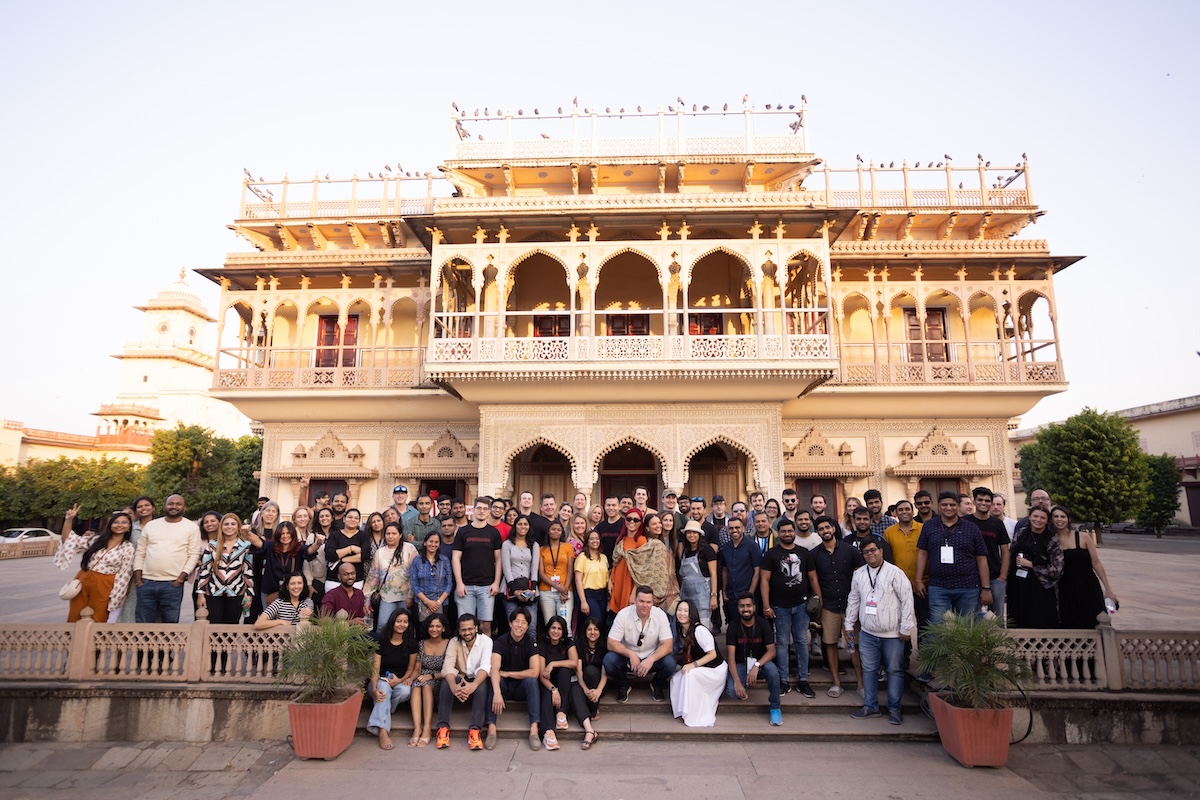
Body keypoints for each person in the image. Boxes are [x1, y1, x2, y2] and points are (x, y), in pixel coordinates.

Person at [845, 539, 915, 725]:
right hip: (868, 632)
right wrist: (849, 625)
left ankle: (894, 708)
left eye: (873, 550)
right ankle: (871, 706)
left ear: (881, 551)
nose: (870, 554)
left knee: (894, 670)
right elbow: (853, 599)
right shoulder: (859, 573)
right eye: (866, 552)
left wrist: (906, 627)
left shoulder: (895, 573)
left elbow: (907, 600)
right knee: (868, 669)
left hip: (892, 634)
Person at [759, 518, 820, 698]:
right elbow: (764, 581)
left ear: (794, 532)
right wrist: (766, 605)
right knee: (782, 643)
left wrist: (818, 600)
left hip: (801, 606)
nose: (787, 534)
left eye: (790, 531)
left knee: (802, 642)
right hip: (779, 606)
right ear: (779, 533)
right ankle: (784, 680)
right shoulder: (771, 554)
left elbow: (813, 578)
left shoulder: (804, 553)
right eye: (783, 531)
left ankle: (803, 681)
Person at [915, 491, 992, 622]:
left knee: (967, 628)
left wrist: (986, 588)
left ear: (958, 506)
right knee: (937, 627)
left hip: (968, 587)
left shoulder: (971, 527)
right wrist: (918, 580)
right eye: (944, 504)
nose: (949, 508)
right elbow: (922, 553)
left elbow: (981, 559)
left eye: (952, 504)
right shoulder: (929, 526)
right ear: (938, 506)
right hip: (938, 586)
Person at [810, 515, 865, 697]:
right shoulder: (815, 554)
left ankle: (861, 684)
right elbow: (814, 579)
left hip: (850, 607)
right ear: (817, 532)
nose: (825, 531)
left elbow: (860, 576)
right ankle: (836, 682)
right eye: (821, 529)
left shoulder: (850, 551)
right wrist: (820, 600)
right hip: (829, 606)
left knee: (854, 644)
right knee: (830, 643)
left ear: (834, 528)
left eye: (828, 527)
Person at [55, 506, 136, 623]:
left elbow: (125, 574)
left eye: (124, 523)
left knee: (100, 617)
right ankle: (74, 639)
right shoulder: (97, 540)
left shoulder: (128, 547)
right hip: (84, 577)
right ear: (110, 524)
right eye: (116, 522)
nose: (119, 525)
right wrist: (69, 520)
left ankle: (96, 641)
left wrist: (116, 596)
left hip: (105, 583)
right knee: (75, 614)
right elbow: (69, 540)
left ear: (129, 527)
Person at [133, 494, 202, 624]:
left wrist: (180, 579)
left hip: (172, 584)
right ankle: (144, 645)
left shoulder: (191, 527)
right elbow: (140, 552)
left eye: (178, 504)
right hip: (146, 582)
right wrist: (138, 579)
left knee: (170, 624)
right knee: (143, 623)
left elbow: (193, 555)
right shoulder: (151, 525)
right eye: (170, 503)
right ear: (165, 506)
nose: (174, 506)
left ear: (184, 507)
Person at [486, 608, 547, 751]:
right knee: (494, 680)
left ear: (527, 626)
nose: (520, 625)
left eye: (524, 623)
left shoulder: (531, 643)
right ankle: (491, 729)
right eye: (517, 621)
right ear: (510, 623)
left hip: (521, 687)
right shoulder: (501, 641)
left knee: (532, 682)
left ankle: (534, 730)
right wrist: (497, 693)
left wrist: (509, 674)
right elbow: (494, 668)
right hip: (504, 687)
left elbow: (534, 672)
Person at [605, 585, 677, 702]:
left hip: (651, 657)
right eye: (641, 601)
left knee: (670, 663)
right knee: (609, 661)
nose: (645, 605)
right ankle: (623, 685)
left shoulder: (660, 615)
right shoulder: (623, 614)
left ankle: (656, 684)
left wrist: (651, 659)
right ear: (635, 600)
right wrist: (631, 654)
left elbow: (668, 645)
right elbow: (611, 643)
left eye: (648, 602)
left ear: (653, 603)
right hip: (628, 658)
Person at [539, 615, 599, 748]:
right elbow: (541, 674)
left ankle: (562, 712)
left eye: (559, 628)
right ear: (548, 629)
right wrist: (553, 689)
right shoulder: (542, 644)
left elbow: (573, 663)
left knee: (565, 671)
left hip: (565, 682)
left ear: (563, 631)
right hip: (547, 682)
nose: (556, 631)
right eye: (553, 628)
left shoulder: (568, 643)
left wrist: (553, 664)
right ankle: (548, 732)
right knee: (546, 695)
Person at [1053, 506, 1118, 629]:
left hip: (1088, 585)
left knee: (1096, 617)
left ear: (1069, 519)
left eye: (1063, 516)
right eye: (1056, 516)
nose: (1059, 519)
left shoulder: (1083, 537)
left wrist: (1108, 588)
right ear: (1051, 520)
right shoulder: (1052, 541)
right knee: (1071, 620)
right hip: (1065, 588)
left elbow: (1096, 563)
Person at [724, 592, 783, 726]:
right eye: (742, 606)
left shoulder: (763, 624)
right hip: (741, 664)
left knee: (773, 671)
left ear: (755, 607)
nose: (745, 609)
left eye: (748, 605)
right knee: (733, 692)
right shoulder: (733, 626)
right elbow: (731, 658)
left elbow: (772, 651)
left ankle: (775, 708)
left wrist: (757, 665)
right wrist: (738, 682)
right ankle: (744, 685)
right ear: (737, 608)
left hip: (760, 664)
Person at [436, 614, 493, 751]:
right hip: (460, 679)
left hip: (476, 680)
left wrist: (473, 685)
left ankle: (475, 731)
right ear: (459, 630)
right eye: (463, 630)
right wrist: (454, 687)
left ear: (476, 628)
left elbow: (485, 666)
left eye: (470, 629)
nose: (467, 633)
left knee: (482, 684)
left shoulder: (486, 641)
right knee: (447, 681)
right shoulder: (454, 641)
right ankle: (442, 729)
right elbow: (448, 667)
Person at [609, 511, 680, 614]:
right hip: (619, 581)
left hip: (631, 582)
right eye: (628, 519)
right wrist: (610, 580)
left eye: (636, 520)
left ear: (640, 523)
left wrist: (634, 592)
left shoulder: (642, 541)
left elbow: (642, 571)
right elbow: (616, 562)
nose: (632, 522)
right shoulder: (621, 540)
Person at [368, 607, 419, 750]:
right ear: (393, 622)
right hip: (381, 680)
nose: (402, 625)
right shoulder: (382, 640)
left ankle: (383, 709)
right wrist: (373, 688)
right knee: (383, 688)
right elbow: (375, 669)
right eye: (398, 621)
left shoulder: (411, 642)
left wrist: (400, 680)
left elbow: (410, 669)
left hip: (400, 680)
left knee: (405, 692)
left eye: (405, 622)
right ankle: (383, 732)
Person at [669, 599, 726, 727]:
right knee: (676, 679)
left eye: (686, 611)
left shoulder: (699, 630)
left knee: (690, 675)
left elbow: (713, 654)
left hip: (715, 669)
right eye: (679, 610)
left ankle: (692, 714)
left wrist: (692, 665)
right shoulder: (682, 630)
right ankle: (681, 711)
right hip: (703, 668)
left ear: (692, 613)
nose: (682, 613)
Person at [453, 498, 503, 636]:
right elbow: (456, 558)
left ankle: (485, 656)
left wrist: (496, 583)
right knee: (465, 626)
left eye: (485, 509)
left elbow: (499, 559)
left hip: (487, 586)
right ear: (473, 510)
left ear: (489, 512)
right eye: (479, 508)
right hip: (466, 586)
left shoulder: (494, 533)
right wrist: (459, 583)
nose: (482, 511)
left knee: (486, 625)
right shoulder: (463, 532)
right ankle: (465, 656)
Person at [1006, 507, 1063, 628]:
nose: (1038, 520)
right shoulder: (1021, 533)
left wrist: (1031, 565)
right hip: (1018, 585)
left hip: (1040, 587)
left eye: (1042, 518)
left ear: (1047, 521)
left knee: (1038, 619)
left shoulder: (1052, 540)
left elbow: (1057, 570)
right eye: (1035, 516)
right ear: (1030, 517)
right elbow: (1010, 556)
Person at [195, 513, 256, 625]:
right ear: (221, 527)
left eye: (233, 524)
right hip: (213, 592)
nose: (229, 526)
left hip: (236, 592)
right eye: (226, 524)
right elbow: (205, 570)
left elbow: (248, 571)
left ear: (238, 526)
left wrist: (249, 594)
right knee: (213, 627)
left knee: (231, 629)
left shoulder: (246, 546)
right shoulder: (212, 545)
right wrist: (200, 594)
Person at [365, 521, 419, 638]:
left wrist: (411, 595)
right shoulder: (380, 552)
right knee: (383, 624)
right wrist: (367, 597)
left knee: (405, 626)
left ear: (400, 535)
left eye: (394, 533)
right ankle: (380, 652)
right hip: (386, 595)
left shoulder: (410, 548)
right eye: (388, 533)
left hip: (406, 596)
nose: (390, 536)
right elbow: (373, 576)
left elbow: (415, 573)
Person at [971, 487, 1012, 625]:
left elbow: (1005, 551)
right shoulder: (965, 522)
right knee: (972, 619)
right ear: (974, 501)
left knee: (997, 620)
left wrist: (1003, 577)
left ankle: (999, 647)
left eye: (987, 501)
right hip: (971, 578)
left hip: (995, 577)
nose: (984, 503)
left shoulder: (997, 524)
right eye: (980, 500)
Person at [410, 612, 450, 747]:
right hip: (422, 677)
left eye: (438, 626)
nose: (434, 629)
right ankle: (417, 728)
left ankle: (427, 728)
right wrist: (410, 679)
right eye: (431, 626)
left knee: (426, 685)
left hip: (440, 679)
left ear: (443, 628)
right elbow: (417, 669)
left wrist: (431, 676)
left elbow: (448, 670)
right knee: (416, 685)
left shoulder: (449, 643)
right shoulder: (422, 644)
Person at [501, 515, 540, 636]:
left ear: (529, 527)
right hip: (510, 588)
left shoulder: (534, 545)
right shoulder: (507, 544)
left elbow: (534, 568)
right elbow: (506, 568)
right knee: (514, 626)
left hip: (529, 587)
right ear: (515, 526)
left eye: (525, 524)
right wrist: (514, 591)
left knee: (531, 627)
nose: (522, 527)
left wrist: (532, 590)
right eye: (520, 524)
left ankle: (531, 653)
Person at [677, 520, 718, 630]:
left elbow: (714, 574)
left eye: (694, 532)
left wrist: (713, 596)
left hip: (703, 596)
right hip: (686, 594)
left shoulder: (707, 550)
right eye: (689, 533)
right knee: (687, 625)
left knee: (702, 626)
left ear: (699, 534)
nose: (691, 535)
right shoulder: (685, 551)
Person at [718, 518, 761, 624]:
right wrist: (724, 591)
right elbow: (724, 570)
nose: (734, 530)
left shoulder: (752, 546)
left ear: (743, 529)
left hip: (748, 594)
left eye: (737, 527)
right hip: (731, 595)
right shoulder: (726, 548)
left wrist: (750, 593)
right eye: (731, 528)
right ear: (728, 530)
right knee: (733, 626)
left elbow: (757, 571)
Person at [539, 521, 575, 630]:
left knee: (565, 625)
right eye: (553, 529)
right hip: (546, 591)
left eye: (559, 530)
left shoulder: (568, 547)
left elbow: (570, 570)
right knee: (549, 624)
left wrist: (564, 589)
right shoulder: (542, 549)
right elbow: (541, 573)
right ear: (548, 531)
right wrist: (557, 586)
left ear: (562, 532)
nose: (556, 531)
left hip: (565, 591)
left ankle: (566, 647)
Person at [411, 531, 453, 622]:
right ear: (425, 543)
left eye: (436, 542)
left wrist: (438, 602)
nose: (433, 544)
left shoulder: (444, 560)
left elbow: (449, 584)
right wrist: (427, 601)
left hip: (441, 603)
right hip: (421, 603)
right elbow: (414, 584)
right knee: (422, 632)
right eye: (431, 541)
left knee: (439, 629)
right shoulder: (417, 560)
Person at [323, 507, 366, 593]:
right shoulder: (334, 535)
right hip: (334, 579)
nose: (352, 520)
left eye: (356, 518)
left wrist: (341, 559)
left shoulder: (363, 536)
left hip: (356, 581)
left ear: (359, 520)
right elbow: (330, 555)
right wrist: (351, 548)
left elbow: (365, 555)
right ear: (344, 519)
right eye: (350, 517)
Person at [574, 529, 610, 628]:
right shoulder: (582, 557)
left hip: (602, 595)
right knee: (595, 621)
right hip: (588, 594)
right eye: (592, 539)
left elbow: (607, 576)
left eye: (597, 538)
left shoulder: (603, 557)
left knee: (602, 623)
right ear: (587, 541)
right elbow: (578, 580)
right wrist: (583, 602)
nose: (595, 541)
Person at [576, 618, 608, 725]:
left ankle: (594, 708)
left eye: (596, 629)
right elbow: (578, 670)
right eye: (589, 629)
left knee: (591, 671)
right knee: (588, 671)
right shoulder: (579, 645)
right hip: (584, 682)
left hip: (601, 683)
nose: (592, 632)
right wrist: (585, 689)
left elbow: (605, 672)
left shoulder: (605, 646)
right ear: (584, 631)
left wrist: (598, 690)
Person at [593, 496, 624, 561]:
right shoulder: (599, 527)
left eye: (614, 505)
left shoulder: (625, 525)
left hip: (620, 564)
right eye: (608, 505)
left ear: (619, 507)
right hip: (603, 565)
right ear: (604, 506)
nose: (611, 508)